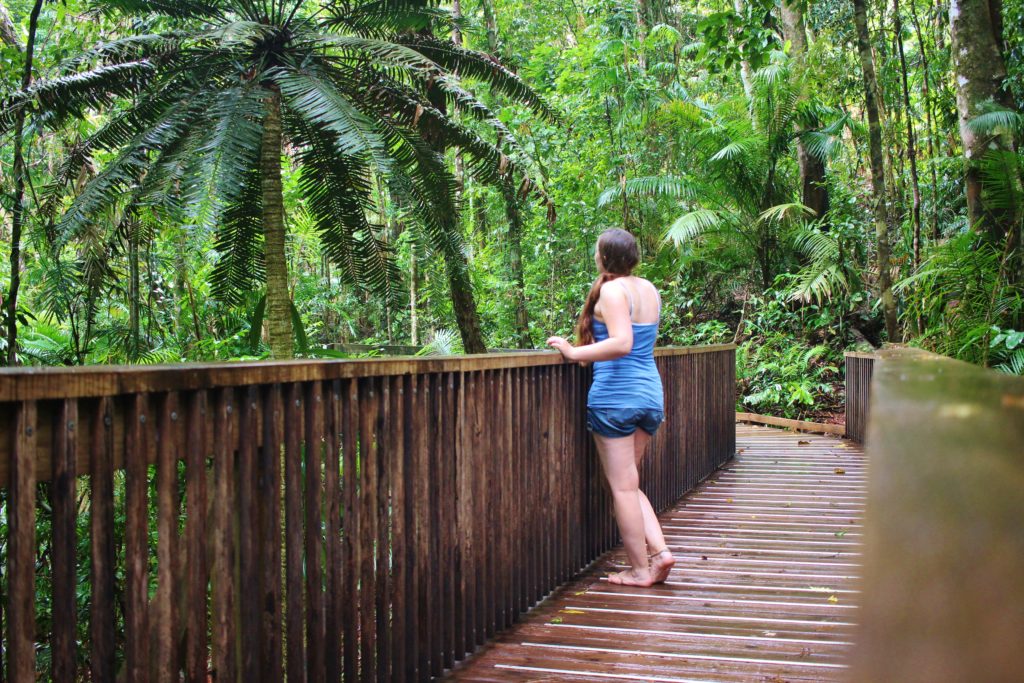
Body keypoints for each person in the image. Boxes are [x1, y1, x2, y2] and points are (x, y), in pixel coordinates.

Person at [547, 228, 675, 586]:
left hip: (616, 397)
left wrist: (574, 353)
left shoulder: (612, 291)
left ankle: (639, 571)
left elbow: (622, 343)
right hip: (649, 395)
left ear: (604, 257)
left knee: (621, 487)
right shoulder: (647, 289)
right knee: (630, 485)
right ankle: (661, 554)